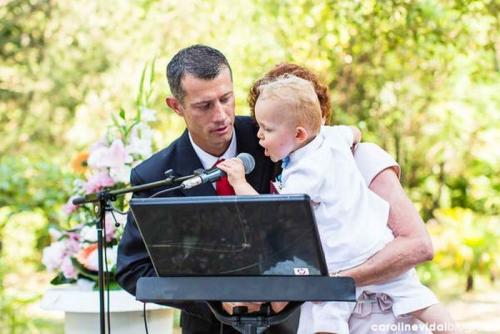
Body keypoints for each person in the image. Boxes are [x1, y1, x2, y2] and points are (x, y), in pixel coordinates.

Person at [116, 45, 435, 334]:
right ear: (176, 106)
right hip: (208, 327)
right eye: (204, 105)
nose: (221, 115)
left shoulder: (275, 136)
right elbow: (134, 270)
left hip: (294, 323)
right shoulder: (154, 175)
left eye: (226, 98)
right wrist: (216, 300)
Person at [218, 74, 458, 334]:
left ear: (299, 133)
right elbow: (354, 132)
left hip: (340, 261)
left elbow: (270, 214)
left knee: (328, 319)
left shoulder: (303, 174)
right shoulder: (332, 138)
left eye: (267, 129)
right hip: (377, 244)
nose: (259, 136)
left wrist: (239, 182)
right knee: (420, 300)